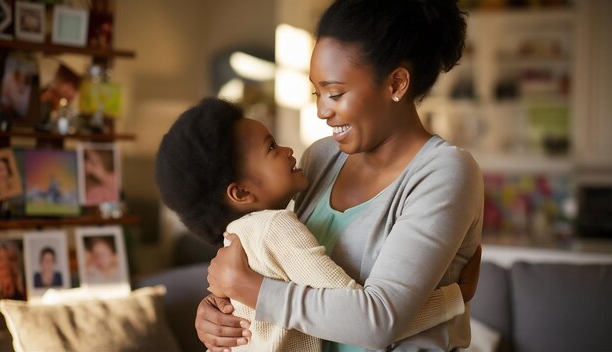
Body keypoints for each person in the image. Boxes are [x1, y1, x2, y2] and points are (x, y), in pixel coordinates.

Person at [199, 0, 483, 351]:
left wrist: (250, 290)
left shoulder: (444, 173)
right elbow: (278, 264)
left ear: (396, 83)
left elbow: (378, 323)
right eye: (317, 93)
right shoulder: (321, 159)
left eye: (335, 93)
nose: (322, 111)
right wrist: (220, 311)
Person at [156, 97, 478, 351]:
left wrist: (235, 297)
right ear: (240, 193)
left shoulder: (238, 236)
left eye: (336, 92)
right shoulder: (278, 227)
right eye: (271, 148)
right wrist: (452, 298)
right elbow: (365, 321)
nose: (287, 150)